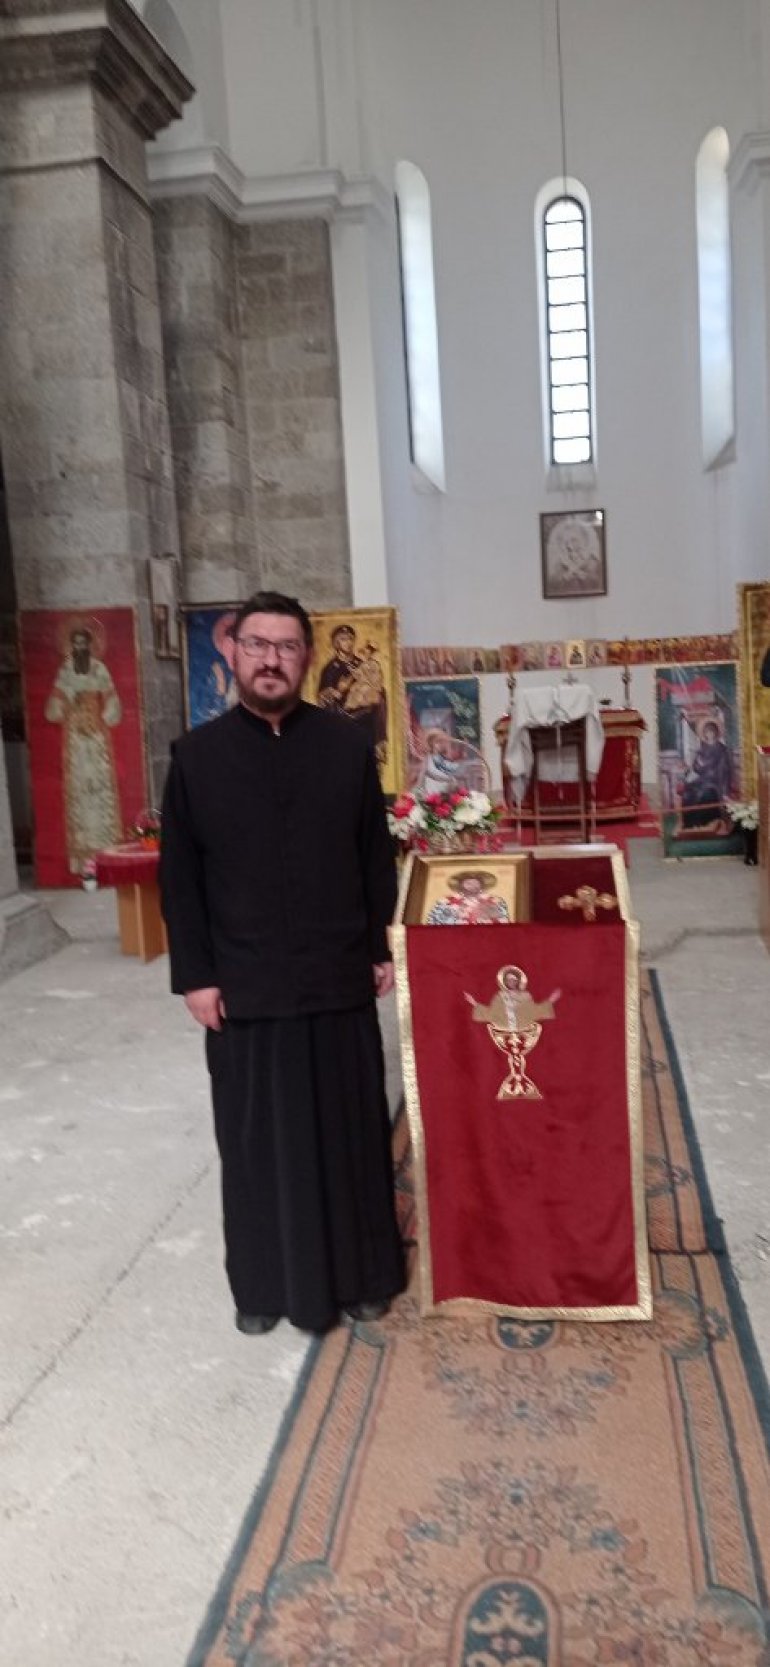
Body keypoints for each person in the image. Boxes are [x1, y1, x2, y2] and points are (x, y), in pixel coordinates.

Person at [160, 591, 405, 1336]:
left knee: (349, 1132)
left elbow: (373, 854)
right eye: (257, 645)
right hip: (245, 984)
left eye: (287, 646)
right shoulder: (196, 758)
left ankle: (365, 1276)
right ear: (233, 653)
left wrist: (377, 946)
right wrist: (196, 976)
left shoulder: (345, 746)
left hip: (336, 974)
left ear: (307, 657)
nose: (271, 659)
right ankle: (264, 1286)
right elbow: (180, 878)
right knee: (256, 1142)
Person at [45, 622, 123, 875]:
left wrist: (105, 715)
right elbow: (54, 704)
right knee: (79, 790)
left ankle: (107, 853)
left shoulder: (99, 669)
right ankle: (83, 862)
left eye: (83, 643)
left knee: (100, 789)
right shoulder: (66, 669)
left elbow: (112, 699)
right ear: (71, 646)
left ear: (90, 645)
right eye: (75, 644)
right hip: (75, 739)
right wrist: (63, 708)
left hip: (96, 736)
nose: (79, 647)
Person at [680, 718, 733, 829]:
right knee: (687, 795)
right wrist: (697, 765)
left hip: (715, 782)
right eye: (707, 732)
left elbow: (725, 771)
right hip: (701, 780)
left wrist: (725, 792)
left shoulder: (721, 749)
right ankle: (690, 824)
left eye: (712, 731)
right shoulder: (702, 748)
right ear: (704, 733)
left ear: (716, 733)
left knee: (705, 795)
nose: (709, 734)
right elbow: (696, 767)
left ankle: (705, 823)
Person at [427, 870, 510, 925]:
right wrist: (456, 914)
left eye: (475, 883)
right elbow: (433, 922)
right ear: (460, 885)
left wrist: (487, 913)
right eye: (468, 883)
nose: (472, 886)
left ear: (481, 885)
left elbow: (504, 922)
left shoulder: (495, 901)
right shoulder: (445, 902)